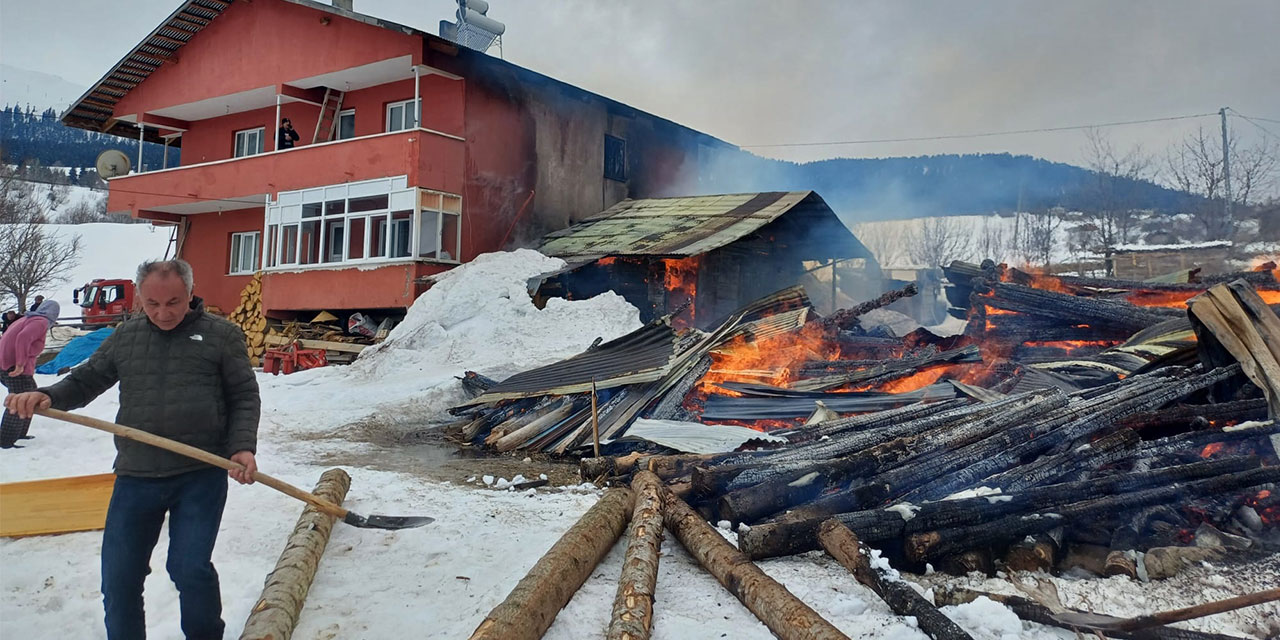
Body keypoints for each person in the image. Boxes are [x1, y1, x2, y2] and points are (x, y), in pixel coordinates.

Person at [3, 259, 260, 639]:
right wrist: (46, 395)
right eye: (152, 304)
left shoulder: (221, 336)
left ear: (190, 293)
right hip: (137, 474)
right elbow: (87, 380)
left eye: (173, 302)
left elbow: (243, 395)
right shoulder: (127, 336)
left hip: (200, 473)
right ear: (140, 299)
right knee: (120, 578)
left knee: (190, 568)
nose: (163, 313)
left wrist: (241, 447)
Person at [0, 301, 60, 448]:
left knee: (30, 394)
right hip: (14, 366)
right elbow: (23, 338)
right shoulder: (40, 322)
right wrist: (20, 364)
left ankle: (20, 432)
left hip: (7, 364)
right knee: (20, 398)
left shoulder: (28, 319)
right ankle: (6, 440)